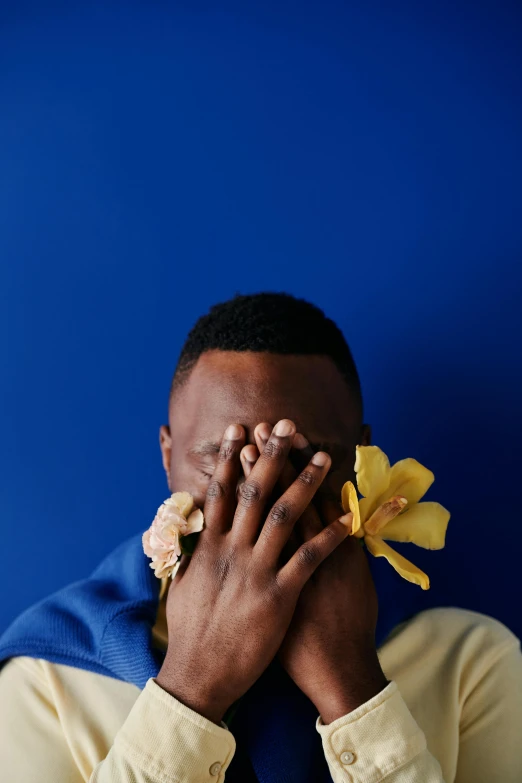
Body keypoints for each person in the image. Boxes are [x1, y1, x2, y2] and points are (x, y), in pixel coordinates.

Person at [0, 292, 521, 783]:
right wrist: (193, 686)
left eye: (304, 461)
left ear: (362, 457)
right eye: (219, 460)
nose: (262, 493)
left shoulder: (472, 664)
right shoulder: (48, 675)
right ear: (167, 456)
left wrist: (354, 691)